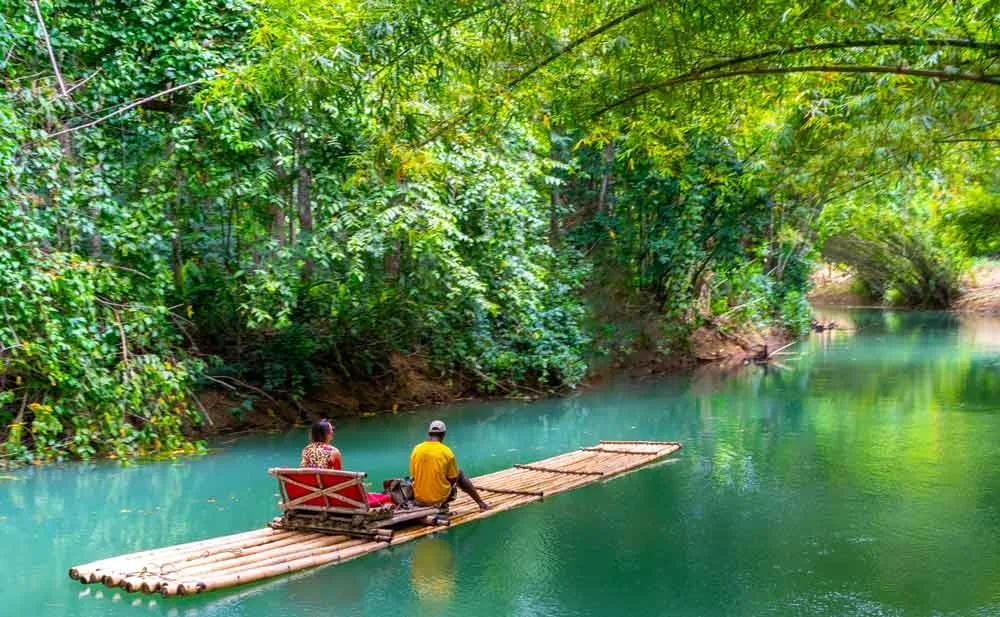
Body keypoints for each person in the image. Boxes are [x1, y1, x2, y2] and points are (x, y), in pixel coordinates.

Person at [300, 418, 392, 507]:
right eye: (331, 430)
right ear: (326, 434)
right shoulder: (333, 452)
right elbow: (340, 480)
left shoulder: (306, 450)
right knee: (386, 498)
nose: (332, 432)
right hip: (332, 498)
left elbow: (305, 472)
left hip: (312, 496)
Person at [410, 420, 489, 511]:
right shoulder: (446, 452)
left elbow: (414, 475)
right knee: (459, 473)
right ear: (443, 434)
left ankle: (426, 497)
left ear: (429, 433)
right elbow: (453, 479)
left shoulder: (416, 449)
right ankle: (481, 503)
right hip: (438, 499)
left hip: (419, 498)